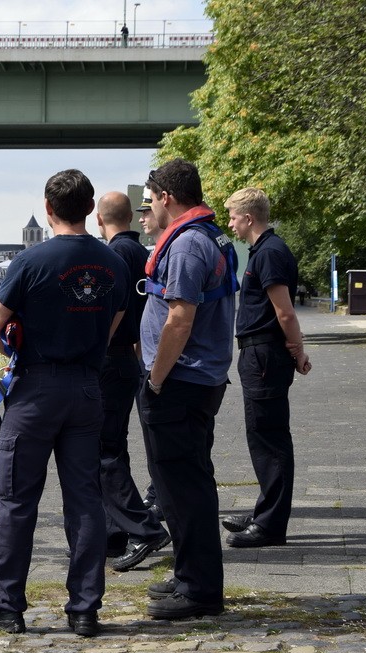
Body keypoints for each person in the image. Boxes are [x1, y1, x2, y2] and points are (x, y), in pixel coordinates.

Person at [0, 169, 128, 637]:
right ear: (90, 208)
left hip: (36, 389)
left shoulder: (31, 261)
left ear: (48, 208)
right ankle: (84, 608)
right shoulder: (114, 263)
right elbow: (115, 324)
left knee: (16, 499)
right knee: (85, 500)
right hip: (86, 389)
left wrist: (12, 356)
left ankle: (8, 605)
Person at [138, 159, 238, 620]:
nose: (150, 208)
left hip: (179, 382)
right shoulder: (213, 236)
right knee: (182, 483)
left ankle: (199, 592)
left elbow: (179, 320)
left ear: (166, 197)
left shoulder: (187, 247)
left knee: (183, 488)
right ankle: (188, 575)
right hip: (200, 378)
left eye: (151, 198)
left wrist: (155, 379)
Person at [222, 187, 312, 548]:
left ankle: (271, 525)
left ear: (248, 218)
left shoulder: (270, 253)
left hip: (263, 355)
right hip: (260, 354)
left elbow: (285, 311)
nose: (230, 223)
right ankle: (266, 512)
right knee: (263, 436)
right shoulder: (265, 250)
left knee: (268, 438)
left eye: (232, 216)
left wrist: (298, 349)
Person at [94, 191, 170, 571]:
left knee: (103, 453)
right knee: (113, 447)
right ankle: (114, 532)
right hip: (133, 360)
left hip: (110, 360)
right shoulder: (145, 254)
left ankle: (144, 527)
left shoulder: (112, 257)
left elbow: (111, 311)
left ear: (98, 218)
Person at [134, 187, 164, 520]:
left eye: (147, 210)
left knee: (164, 443)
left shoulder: (175, 250)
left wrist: (156, 374)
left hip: (163, 367)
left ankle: (162, 499)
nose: (142, 216)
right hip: (152, 361)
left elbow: (179, 318)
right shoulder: (157, 251)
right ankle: (158, 493)